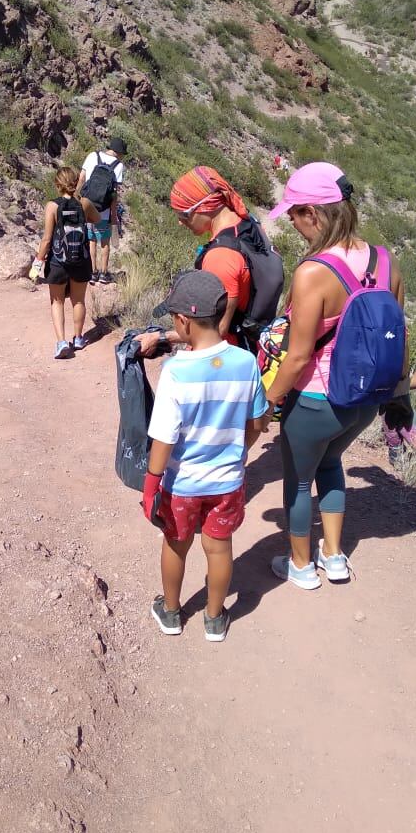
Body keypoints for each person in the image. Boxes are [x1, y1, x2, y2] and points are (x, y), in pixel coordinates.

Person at [263, 161, 407, 590]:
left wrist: (268, 402)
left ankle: (302, 566)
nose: (290, 220)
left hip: (315, 399)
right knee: (331, 465)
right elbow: (400, 332)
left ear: (315, 213)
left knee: (299, 480)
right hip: (364, 401)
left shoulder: (314, 273)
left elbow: (297, 356)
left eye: (294, 211)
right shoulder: (386, 261)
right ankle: (334, 556)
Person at [142, 271, 270, 642]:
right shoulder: (245, 361)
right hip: (227, 482)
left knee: (175, 543)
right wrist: (238, 452)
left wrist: (151, 486)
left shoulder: (177, 371)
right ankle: (214, 618)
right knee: (219, 548)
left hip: (183, 483)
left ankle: (170, 612)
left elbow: (164, 439)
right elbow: (258, 421)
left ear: (183, 321)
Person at [139, 167, 257, 358]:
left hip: (220, 361)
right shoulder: (248, 225)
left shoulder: (221, 256)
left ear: (205, 206)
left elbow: (217, 331)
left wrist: (162, 338)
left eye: (184, 215)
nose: (180, 222)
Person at [33, 166, 100, 359]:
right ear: (76, 182)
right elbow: (96, 219)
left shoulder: (52, 206)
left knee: (57, 301)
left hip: (58, 261)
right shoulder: (85, 203)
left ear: (57, 184)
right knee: (78, 300)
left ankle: (62, 342)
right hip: (81, 259)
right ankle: (78, 338)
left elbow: (46, 239)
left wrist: (38, 262)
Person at [76, 137, 126, 285]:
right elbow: (114, 193)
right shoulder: (119, 165)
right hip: (103, 210)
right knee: (104, 242)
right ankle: (104, 274)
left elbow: (82, 178)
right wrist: (113, 214)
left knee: (91, 240)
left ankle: (93, 272)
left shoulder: (93, 156)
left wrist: (77, 199)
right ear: (119, 152)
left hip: (87, 205)